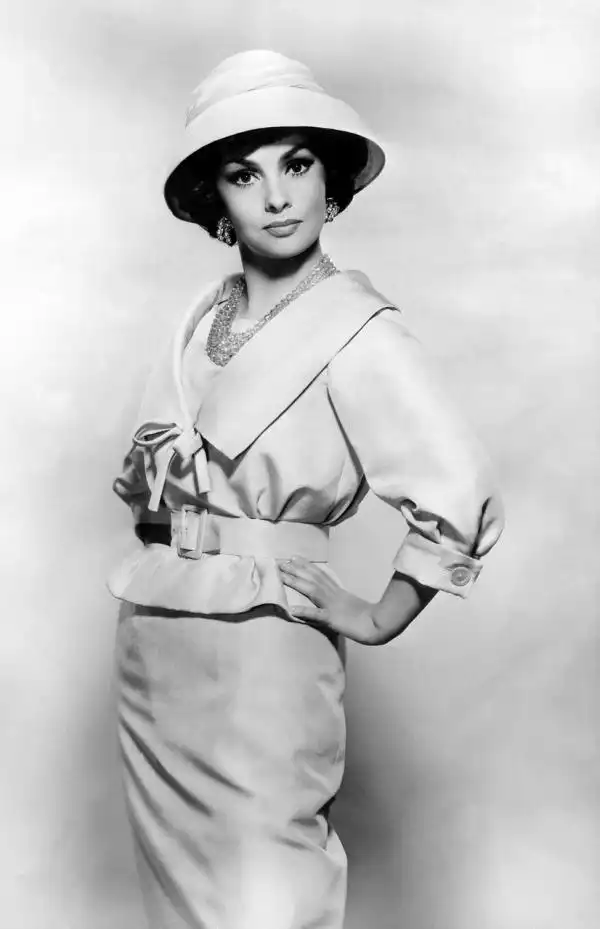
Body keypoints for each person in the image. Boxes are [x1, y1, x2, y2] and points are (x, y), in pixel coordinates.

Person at [109, 49, 504, 929]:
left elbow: (457, 488)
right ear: (217, 198)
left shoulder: (359, 329)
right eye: (245, 174)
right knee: (178, 905)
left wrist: (380, 612)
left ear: (331, 183)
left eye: (296, 165)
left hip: (265, 646)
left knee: (267, 897)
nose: (277, 196)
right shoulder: (200, 317)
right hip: (154, 639)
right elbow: (152, 476)